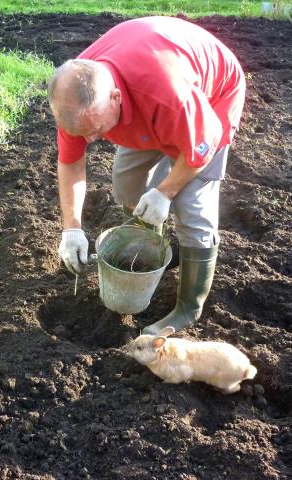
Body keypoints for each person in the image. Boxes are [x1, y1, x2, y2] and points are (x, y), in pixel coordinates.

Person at [47, 16, 245, 335]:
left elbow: (201, 147)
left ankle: (188, 308)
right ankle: (160, 246)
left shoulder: (166, 93)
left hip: (211, 97)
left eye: (97, 129)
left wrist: (164, 192)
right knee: (127, 185)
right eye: (86, 133)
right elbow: (70, 162)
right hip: (147, 108)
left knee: (192, 207)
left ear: (115, 97)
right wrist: (71, 229)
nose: (93, 138)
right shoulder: (76, 100)